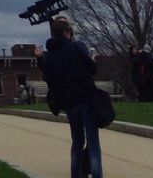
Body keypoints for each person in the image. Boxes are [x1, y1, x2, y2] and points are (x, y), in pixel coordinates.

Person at [39, 17, 104, 178]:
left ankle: (76, 175)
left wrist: (39, 59)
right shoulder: (75, 48)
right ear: (67, 32)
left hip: (68, 102)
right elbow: (93, 69)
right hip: (85, 98)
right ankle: (96, 175)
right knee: (93, 142)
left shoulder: (49, 56)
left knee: (77, 141)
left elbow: (49, 79)